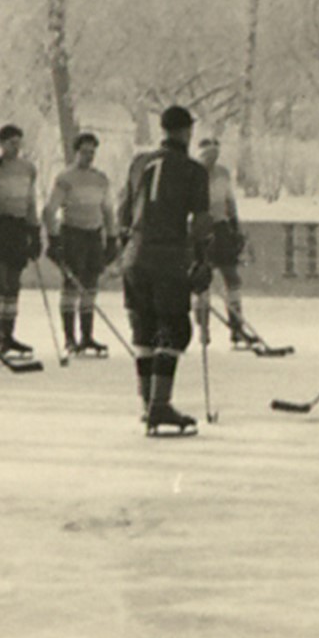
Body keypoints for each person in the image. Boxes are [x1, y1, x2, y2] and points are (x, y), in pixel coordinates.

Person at [118, 105, 214, 436]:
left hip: (135, 255)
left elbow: (123, 212)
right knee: (174, 328)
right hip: (168, 256)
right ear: (187, 131)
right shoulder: (193, 170)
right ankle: (161, 404)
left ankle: (147, 404)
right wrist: (202, 258)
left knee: (143, 330)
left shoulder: (139, 163)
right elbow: (200, 222)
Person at [44, 132, 116, 357]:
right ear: (76, 152)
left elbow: (107, 210)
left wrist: (112, 238)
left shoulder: (100, 178)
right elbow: (49, 210)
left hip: (93, 235)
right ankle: (69, 338)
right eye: (84, 152)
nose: (89, 156)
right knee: (71, 285)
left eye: (92, 152)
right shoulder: (66, 178)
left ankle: (87, 335)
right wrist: (54, 238)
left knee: (90, 285)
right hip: (72, 234)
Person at [0, 125, 42, 358]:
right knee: (0, 283)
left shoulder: (28, 168)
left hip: (19, 226)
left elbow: (30, 201)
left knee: (14, 285)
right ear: (1, 144)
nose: (15, 147)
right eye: (10, 143)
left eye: (18, 142)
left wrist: (34, 231)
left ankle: (9, 333)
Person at [197, 132, 252, 347]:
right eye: (208, 155)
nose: (213, 159)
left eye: (215, 154)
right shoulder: (194, 173)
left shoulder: (223, 174)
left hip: (221, 228)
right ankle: (203, 329)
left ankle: (237, 327)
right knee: (202, 281)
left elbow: (229, 200)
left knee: (232, 277)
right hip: (200, 229)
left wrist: (235, 224)